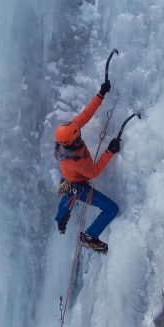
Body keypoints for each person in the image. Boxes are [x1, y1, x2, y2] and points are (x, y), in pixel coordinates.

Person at [53, 80, 120, 253]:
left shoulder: (67, 140)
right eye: (77, 133)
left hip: (69, 178)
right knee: (112, 209)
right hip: (78, 186)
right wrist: (110, 152)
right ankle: (90, 236)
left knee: (68, 197)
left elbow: (85, 115)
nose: (79, 130)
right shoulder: (76, 160)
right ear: (72, 139)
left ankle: (60, 220)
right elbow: (94, 172)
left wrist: (100, 94)